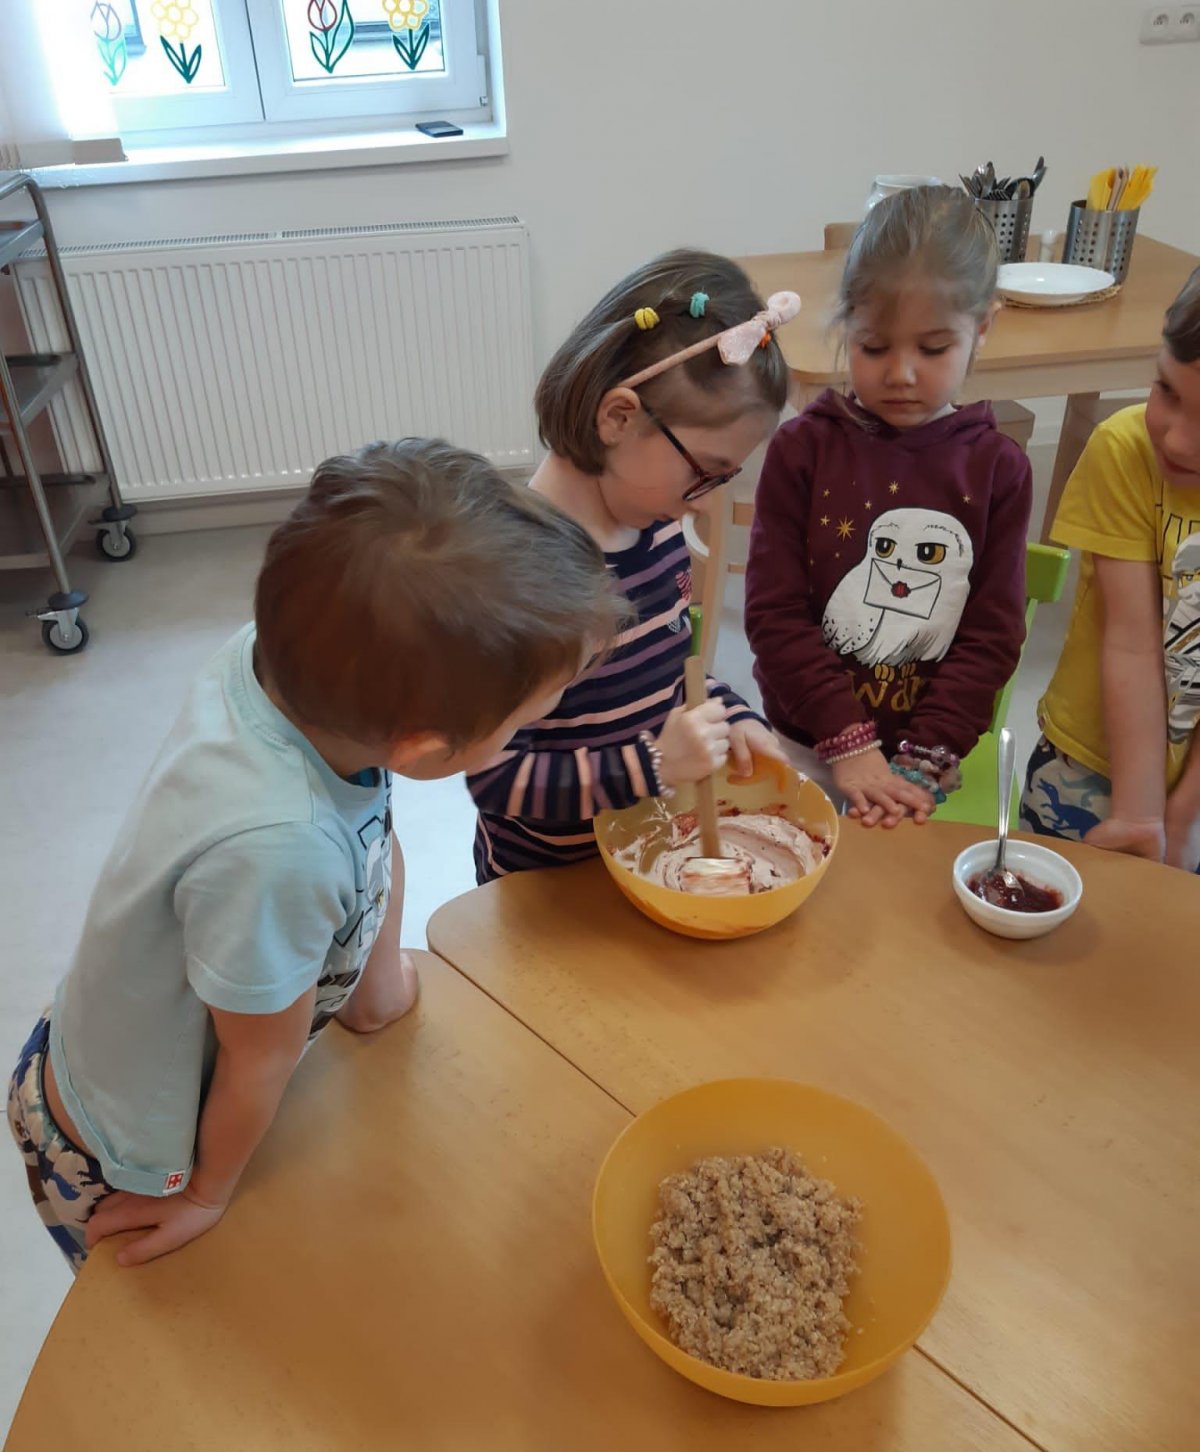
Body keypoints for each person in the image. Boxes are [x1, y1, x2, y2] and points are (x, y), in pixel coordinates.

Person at [7, 439, 626, 1269]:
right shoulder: (280, 852)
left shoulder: (297, 672)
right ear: (421, 746)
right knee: (167, 1309)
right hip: (120, 1145)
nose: (529, 731)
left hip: (130, 1033)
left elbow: (371, 826)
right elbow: (257, 1060)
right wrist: (205, 1191)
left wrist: (379, 988)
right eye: (526, 722)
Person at [467, 249, 795, 881]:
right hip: (548, 889)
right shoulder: (518, 581)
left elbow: (674, 682)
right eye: (705, 472)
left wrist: (733, 717)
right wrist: (652, 766)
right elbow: (495, 778)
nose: (707, 502)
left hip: (645, 860)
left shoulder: (658, 527)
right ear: (619, 418)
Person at [744, 186, 1033, 827]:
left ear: (983, 326)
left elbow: (991, 637)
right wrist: (847, 744)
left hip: (921, 758)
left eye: (932, 349)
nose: (901, 373)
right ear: (847, 325)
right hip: (808, 739)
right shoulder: (802, 451)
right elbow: (773, 616)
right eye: (874, 347)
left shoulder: (999, 469)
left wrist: (925, 755)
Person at [1021, 267, 1200, 871]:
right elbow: (1131, 642)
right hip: (1087, 768)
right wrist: (1143, 815)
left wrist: (1183, 816)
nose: (1176, 442)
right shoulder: (1125, 449)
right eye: (1167, 391)